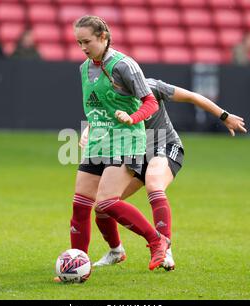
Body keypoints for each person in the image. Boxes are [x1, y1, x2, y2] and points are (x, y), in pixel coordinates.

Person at [78, 78, 247, 271]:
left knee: (154, 183)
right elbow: (100, 117)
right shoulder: (110, 95)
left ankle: (165, 250)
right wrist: (88, 131)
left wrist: (224, 116)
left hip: (164, 146)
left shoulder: (152, 87)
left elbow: (192, 97)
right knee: (103, 205)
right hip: (135, 152)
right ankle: (116, 251)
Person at [59, 15, 171, 279]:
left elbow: (150, 102)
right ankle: (78, 268)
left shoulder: (124, 65)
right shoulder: (84, 68)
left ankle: (157, 241)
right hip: (99, 141)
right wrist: (88, 129)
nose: (83, 47)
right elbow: (97, 107)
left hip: (126, 139)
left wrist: (132, 117)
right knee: (80, 205)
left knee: (107, 202)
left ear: (103, 37)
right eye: (78, 42)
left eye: (87, 41)